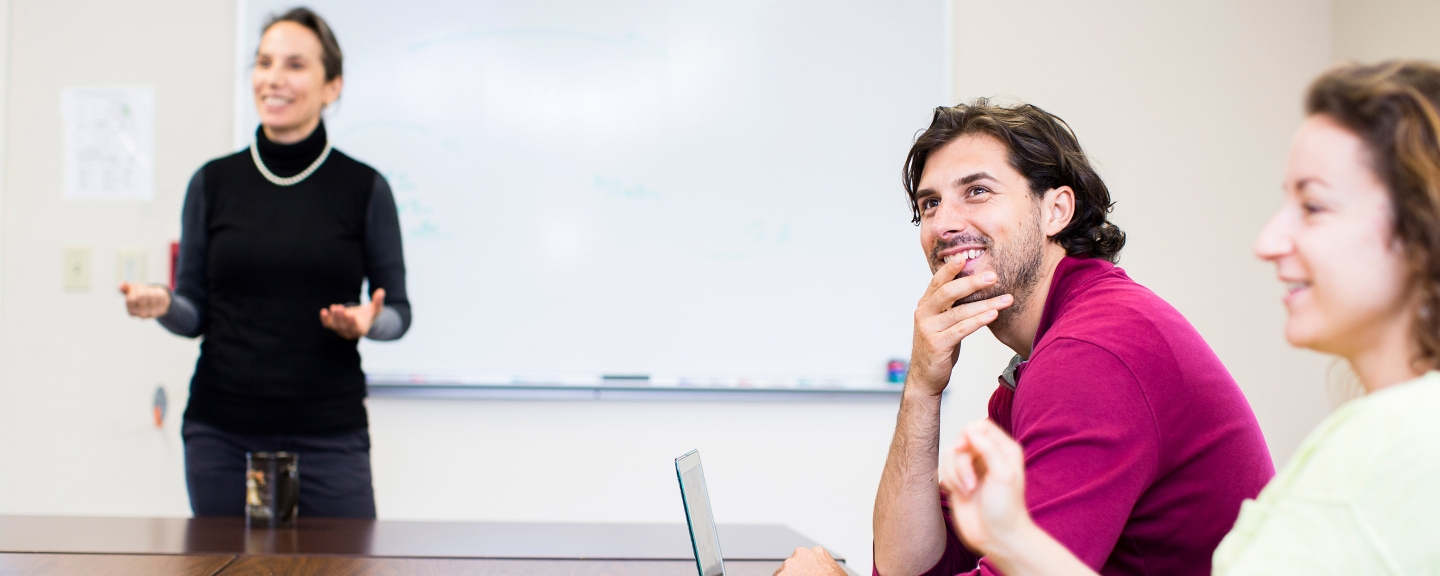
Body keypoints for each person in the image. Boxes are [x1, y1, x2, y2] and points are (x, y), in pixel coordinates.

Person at [923, 60, 1440, 575]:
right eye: (927, 206)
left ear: (1421, 233)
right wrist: (1016, 540)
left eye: (1315, 207)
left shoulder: (1396, 440)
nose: (1269, 243)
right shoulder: (1381, 429)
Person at [776, 99, 1274, 576]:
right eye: (930, 204)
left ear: (1056, 210)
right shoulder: (1046, 353)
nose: (945, 224)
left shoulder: (1091, 354)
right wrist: (921, 388)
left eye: (977, 191)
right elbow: (914, 568)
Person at [119, 7, 410, 518]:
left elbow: (398, 315)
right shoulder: (213, 183)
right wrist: (165, 303)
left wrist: (368, 320)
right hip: (223, 433)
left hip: (329, 435)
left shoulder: (364, 188)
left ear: (332, 86)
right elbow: (194, 314)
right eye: (264, 62)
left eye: (295, 65)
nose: (273, 78)